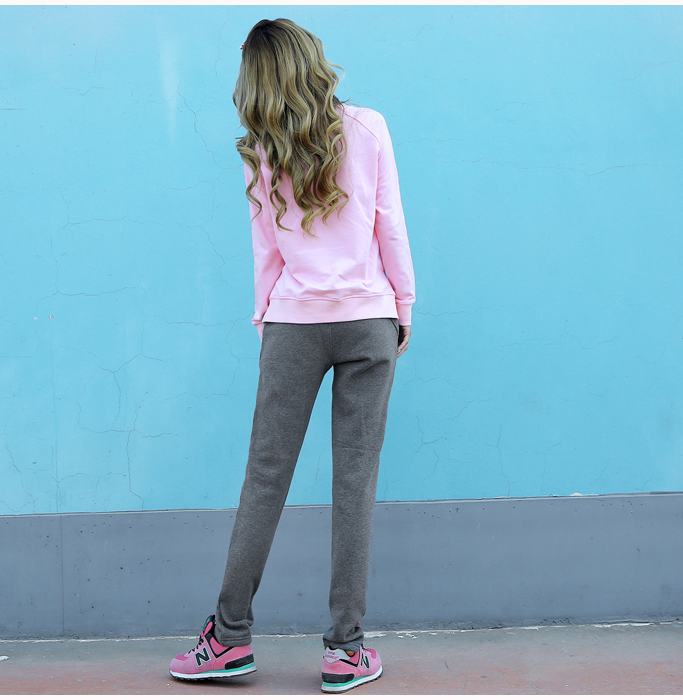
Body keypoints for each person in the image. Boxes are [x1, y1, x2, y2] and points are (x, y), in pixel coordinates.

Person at [169, 18, 416, 694]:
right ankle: (346, 651)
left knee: (265, 479)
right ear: (313, 60)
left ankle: (228, 639)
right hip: (368, 321)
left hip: (293, 324)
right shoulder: (368, 127)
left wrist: (266, 323)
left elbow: (266, 249)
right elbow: (389, 223)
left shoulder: (261, 149)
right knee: (354, 484)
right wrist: (403, 305)